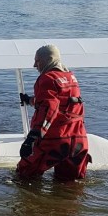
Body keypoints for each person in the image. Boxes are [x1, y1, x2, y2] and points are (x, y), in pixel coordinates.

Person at [17, 45, 91, 181]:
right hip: (78, 139)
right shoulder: (71, 77)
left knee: (24, 175)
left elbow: (49, 106)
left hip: (55, 139)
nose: (34, 65)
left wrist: (33, 136)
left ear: (47, 60)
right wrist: (30, 100)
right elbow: (59, 102)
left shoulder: (46, 78)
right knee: (70, 183)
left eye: (37, 61)